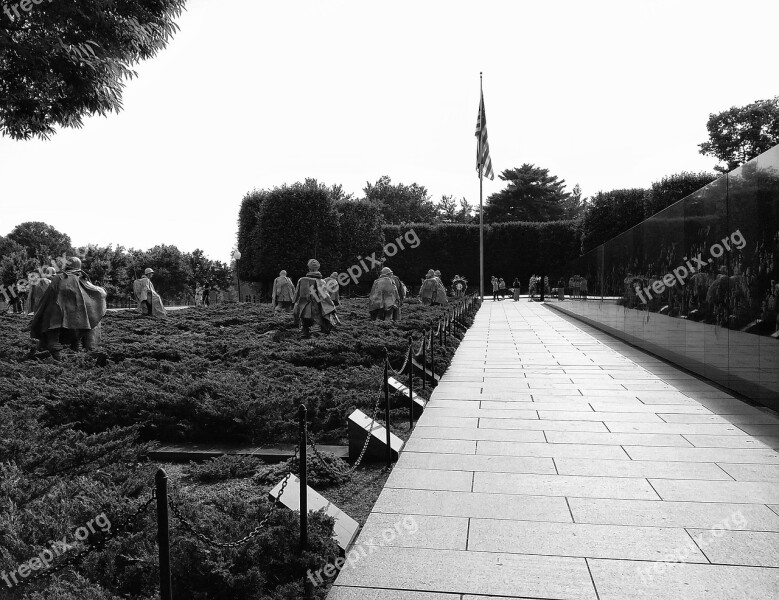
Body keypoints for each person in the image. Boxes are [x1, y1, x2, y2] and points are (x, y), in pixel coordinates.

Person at [29, 257, 107, 361]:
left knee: (50, 323)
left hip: (56, 318)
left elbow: (47, 298)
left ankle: (58, 355)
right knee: (81, 331)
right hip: (79, 320)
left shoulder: (58, 278)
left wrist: (38, 314)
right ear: (78, 267)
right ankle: (77, 352)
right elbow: (99, 293)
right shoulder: (83, 280)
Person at [293, 259, 338, 338]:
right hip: (315, 308)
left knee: (304, 323)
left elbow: (296, 294)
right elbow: (325, 296)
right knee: (316, 323)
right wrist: (331, 305)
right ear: (318, 268)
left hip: (303, 307)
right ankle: (315, 336)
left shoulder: (301, 280)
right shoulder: (321, 281)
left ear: (309, 268)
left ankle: (304, 332)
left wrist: (295, 305)